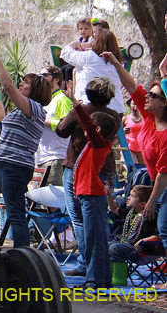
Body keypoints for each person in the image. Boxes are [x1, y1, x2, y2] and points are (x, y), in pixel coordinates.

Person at [101, 48, 167, 282]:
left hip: (163, 183)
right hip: (157, 181)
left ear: (164, 103)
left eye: (153, 95)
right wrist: (116, 62)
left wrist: (152, 201)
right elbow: (131, 86)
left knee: (164, 227)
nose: (146, 96)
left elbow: (164, 173)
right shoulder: (150, 117)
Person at [0, 41, 50, 248]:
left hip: (15, 166)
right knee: (14, 211)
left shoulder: (34, 108)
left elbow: (8, 87)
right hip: (7, 164)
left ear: (35, 89)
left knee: (17, 214)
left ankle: (22, 254)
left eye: (26, 82)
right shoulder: (23, 109)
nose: (21, 84)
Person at [56, 73, 121, 279]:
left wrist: (76, 106)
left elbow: (63, 129)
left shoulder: (95, 135)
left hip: (88, 185)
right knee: (98, 227)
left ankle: (91, 272)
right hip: (99, 178)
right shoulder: (114, 116)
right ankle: (100, 274)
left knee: (86, 225)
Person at [60, 30, 125, 116]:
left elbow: (65, 53)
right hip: (116, 107)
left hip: (91, 107)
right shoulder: (118, 62)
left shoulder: (89, 57)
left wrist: (76, 43)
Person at [35, 65, 72, 186]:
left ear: (56, 79)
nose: (41, 78)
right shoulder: (44, 99)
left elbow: (68, 126)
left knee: (53, 196)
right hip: (41, 157)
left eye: (45, 75)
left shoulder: (62, 99)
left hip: (55, 157)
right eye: (39, 75)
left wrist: (44, 119)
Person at [124, 101, 145, 166]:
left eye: (137, 104)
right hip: (129, 147)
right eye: (133, 104)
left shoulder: (144, 118)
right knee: (133, 166)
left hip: (141, 147)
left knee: (143, 168)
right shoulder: (125, 118)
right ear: (130, 105)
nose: (135, 106)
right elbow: (119, 134)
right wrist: (124, 131)